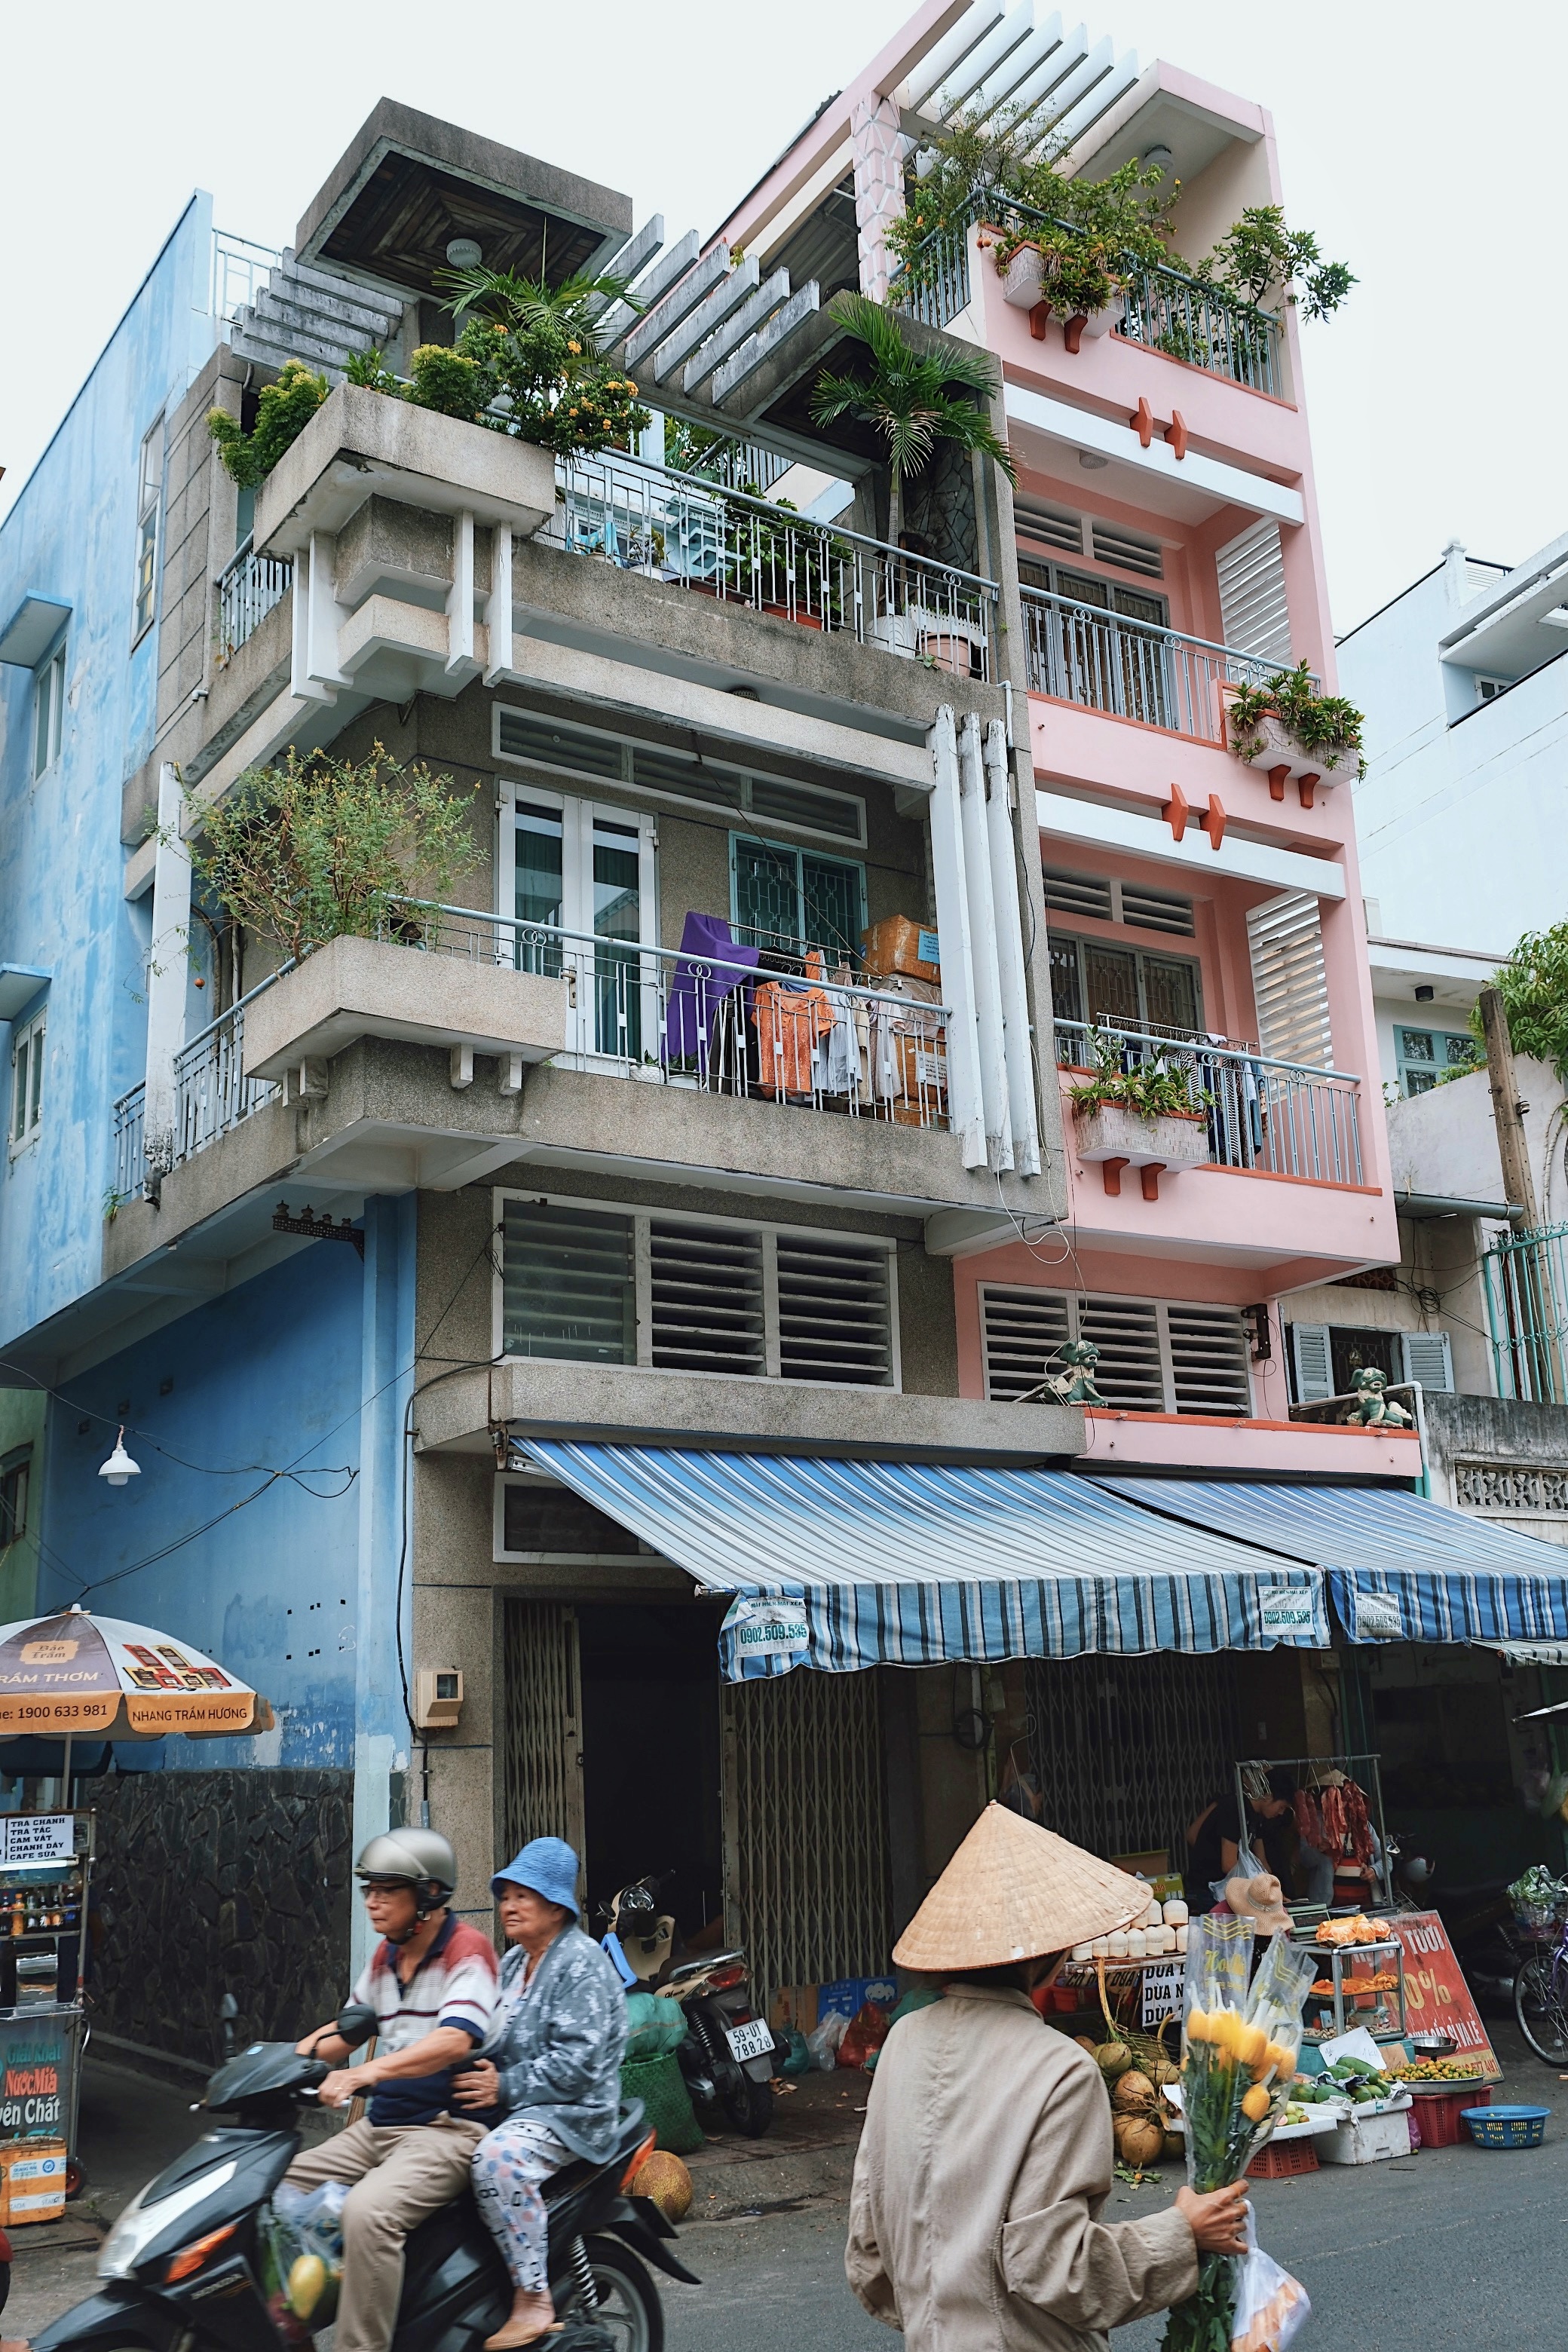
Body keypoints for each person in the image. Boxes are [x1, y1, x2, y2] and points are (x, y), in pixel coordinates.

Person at [846, 1803, 1249, 2352]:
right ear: (1052, 1957)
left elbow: (870, 2251)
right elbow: (1059, 2270)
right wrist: (1182, 2233)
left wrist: (944, 2315)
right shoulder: (1060, 2069)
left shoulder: (901, 2044)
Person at [286, 1830, 500, 2352]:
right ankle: (290, 2328)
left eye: (386, 1890)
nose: (372, 1902)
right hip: (381, 2128)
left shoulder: (468, 1951)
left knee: (367, 2212)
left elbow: (454, 2039)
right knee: (278, 2184)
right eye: (368, 1890)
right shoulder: (385, 1956)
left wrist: (367, 2075)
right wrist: (276, 2066)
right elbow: (346, 2030)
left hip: (447, 2132)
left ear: (427, 1896)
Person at [451, 1838, 628, 2351]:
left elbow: (579, 2065)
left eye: (521, 1896)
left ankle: (532, 2298)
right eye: (504, 1895)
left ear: (555, 1905)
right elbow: (485, 2032)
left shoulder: (582, 1963)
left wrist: (503, 2084)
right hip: (521, 2106)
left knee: (496, 2161)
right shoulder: (511, 1965)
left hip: (573, 2112)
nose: (508, 1905)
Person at [1184, 1769, 1296, 1913]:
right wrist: (1260, 1892)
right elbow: (1228, 1864)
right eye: (1281, 1807)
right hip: (1208, 1890)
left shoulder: (1258, 1817)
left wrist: (1274, 1893)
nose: (1281, 1813)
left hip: (1229, 1889)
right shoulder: (1234, 1809)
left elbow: (1262, 1863)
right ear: (1268, 1796)